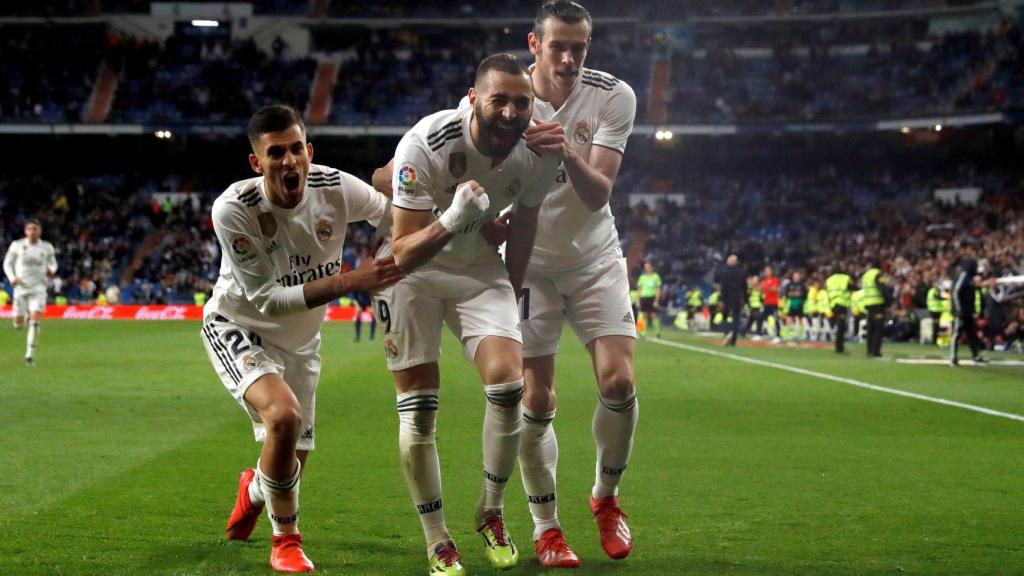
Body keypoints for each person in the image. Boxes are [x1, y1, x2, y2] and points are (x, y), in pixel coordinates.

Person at [374, 53, 560, 575]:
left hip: (479, 269)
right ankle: (437, 539)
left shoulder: (537, 155)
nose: (510, 111)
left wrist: (512, 293)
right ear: (473, 98)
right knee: (419, 410)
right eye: (499, 99)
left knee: (508, 387)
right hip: (411, 273)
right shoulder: (425, 142)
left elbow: (524, 225)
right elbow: (404, 248)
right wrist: (456, 217)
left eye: (521, 102)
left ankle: (491, 511)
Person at [201, 105, 401, 573]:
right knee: (284, 417)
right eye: (275, 153)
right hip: (239, 326)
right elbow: (268, 299)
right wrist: (352, 280)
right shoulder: (234, 209)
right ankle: (286, 542)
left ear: (309, 152)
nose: (289, 161)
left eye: (296, 149)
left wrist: (387, 245)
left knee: (292, 454)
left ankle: (253, 490)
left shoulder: (335, 187)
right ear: (257, 163)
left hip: (303, 341)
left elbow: (391, 214)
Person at [505, 1, 640, 566]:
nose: (567, 58)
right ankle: (546, 526)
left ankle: (605, 499)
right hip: (529, 262)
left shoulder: (614, 95)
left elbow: (598, 192)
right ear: (534, 45)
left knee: (618, 383)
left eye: (578, 48)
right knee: (536, 398)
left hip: (593, 258)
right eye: (557, 46)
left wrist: (563, 146)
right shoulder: (505, 93)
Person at [3, 218, 58, 366]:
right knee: (18, 324)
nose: (32, 232)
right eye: (30, 229)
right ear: (25, 231)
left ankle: (29, 355)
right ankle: (21, 318)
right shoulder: (17, 245)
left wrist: (51, 270)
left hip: (39, 288)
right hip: (21, 288)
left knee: (34, 322)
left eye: (35, 229)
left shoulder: (47, 247)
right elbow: (7, 263)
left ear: (40, 231)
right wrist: (12, 278)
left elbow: (53, 262)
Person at [950, 258, 987, 365]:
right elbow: (956, 291)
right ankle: (953, 357)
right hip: (961, 311)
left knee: (972, 333)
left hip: (968, 311)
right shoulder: (964, 276)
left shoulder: (969, 278)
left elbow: (969, 294)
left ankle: (976, 355)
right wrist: (958, 309)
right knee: (957, 333)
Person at [719, 254, 747, 346]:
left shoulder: (725, 272)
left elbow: (723, 287)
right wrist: (745, 299)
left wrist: (721, 299)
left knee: (725, 316)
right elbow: (744, 288)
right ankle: (733, 339)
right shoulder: (741, 273)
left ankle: (727, 333)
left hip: (727, 298)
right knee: (736, 319)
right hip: (737, 299)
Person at [861, 260, 887, 357]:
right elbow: (882, 288)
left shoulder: (865, 275)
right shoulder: (878, 274)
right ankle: (876, 351)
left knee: (871, 329)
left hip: (868, 304)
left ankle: (869, 350)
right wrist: (888, 301)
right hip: (877, 304)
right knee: (878, 329)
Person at [826, 266, 852, 354]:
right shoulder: (846, 278)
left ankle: (838, 345)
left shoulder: (829, 280)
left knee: (838, 325)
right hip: (842, 304)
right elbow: (851, 287)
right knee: (841, 326)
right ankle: (839, 347)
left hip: (833, 304)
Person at [636, 261, 662, 337]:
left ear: (652, 267)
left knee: (654, 315)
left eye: (647, 266)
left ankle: (657, 332)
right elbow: (639, 289)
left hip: (652, 297)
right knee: (643, 316)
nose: (646, 267)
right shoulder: (642, 277)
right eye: (645, 266)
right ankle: (642, 332)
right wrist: (638, 300)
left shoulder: (656, 277)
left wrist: (656, 300)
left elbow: (658, 289)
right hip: (643, 297)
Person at [761, 265, 781, 342]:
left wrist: (766, 288)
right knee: (762, 318)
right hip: (766, 302)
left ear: (771, 271)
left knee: (776, 318)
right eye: (765, 271)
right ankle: (763, 333)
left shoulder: (774, 280)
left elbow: (774, 289)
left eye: (768, 270)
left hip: (773, 303)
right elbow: (762, 290)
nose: (766, 272)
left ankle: (778, 335)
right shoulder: (764, 280)